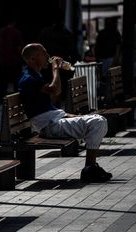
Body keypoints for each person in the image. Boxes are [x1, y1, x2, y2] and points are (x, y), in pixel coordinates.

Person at [18, 43, 111, 183]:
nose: (47, 56)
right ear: (32, 59)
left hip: (53, 121)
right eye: (43, 53)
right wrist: (55, 68)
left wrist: (73, 116)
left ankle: (91, 167)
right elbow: (55, 90)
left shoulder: (36, 75)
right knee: (98, 122)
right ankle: (89, 168)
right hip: (49, 127)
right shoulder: (28, 79)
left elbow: (53, 99)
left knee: (98, 119)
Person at [37, 9, 79, 108]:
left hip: (48, 66)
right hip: (60, 67)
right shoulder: (66, 33)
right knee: (58, 89)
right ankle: (55, 108)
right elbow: (73, 52)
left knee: (52, 89)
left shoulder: (45, 32)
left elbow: (39, 48)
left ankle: (53, 108)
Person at [0, 19, 24, 101]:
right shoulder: (16, 32)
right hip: (14, 62)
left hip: (3, 62)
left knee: (3, 83)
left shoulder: (0, 32)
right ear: (14, 22)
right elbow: (19, 48)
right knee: (16, 83)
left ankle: (2, 100)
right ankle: (15, 100)